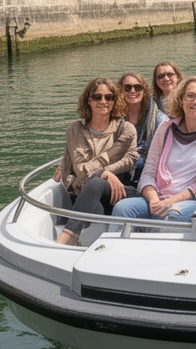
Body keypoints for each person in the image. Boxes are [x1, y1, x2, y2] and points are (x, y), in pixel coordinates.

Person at [112, 76, 196, 224]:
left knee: (175, 214)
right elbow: (149, 171)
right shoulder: (165, 128)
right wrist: (153, 199)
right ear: (181, 100)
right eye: (190, 96)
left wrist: (172, 201)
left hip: (195, 200)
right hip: (159, 197)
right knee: (123, 207)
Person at [54, 78, 140, 245]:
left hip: (119, 192)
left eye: (109, 97)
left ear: (115, 101)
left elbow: (130, 161)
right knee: (94, 186)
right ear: (89, 100)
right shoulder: (75, 129)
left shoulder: (126, 129)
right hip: (84, 192)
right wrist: (104, 173)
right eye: (97, 97)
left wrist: (105, 173)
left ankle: (66, 239)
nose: (103, 101)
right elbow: (80, 169)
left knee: (95, 183)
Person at [117, 72, 168, 190]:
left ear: (144, 90)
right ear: (120, 91)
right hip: (117, 171)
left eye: (137, 87)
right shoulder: (114, 117)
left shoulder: (159, 120)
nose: (132, 91)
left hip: (147, 175)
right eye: (127, 87)